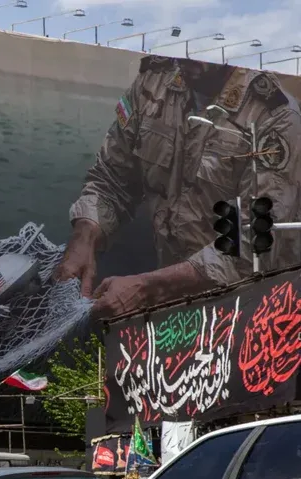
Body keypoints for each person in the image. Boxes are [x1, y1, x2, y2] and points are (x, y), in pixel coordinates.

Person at [55, 56, 301, 318]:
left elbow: (253, 244)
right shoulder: (153, 84)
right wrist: (85, 237)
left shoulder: (275, 115)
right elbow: (112, 179)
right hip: (172, 306)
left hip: (253, 313)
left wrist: (147, 288)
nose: (188, 53)